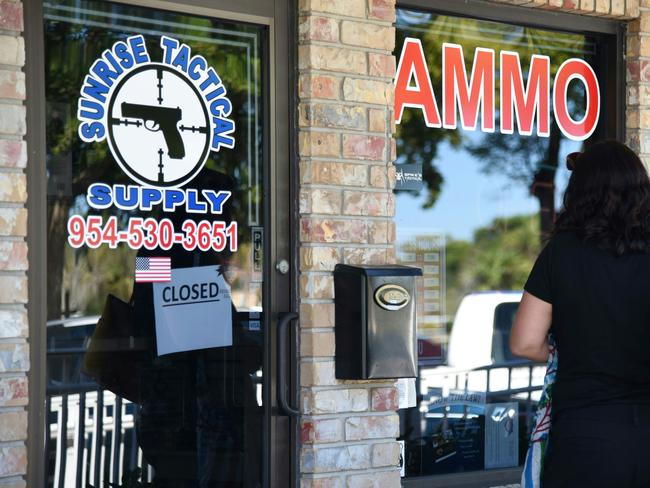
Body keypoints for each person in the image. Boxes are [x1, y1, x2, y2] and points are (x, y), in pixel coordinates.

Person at [510, 140, 650, 488]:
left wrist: (569, 350)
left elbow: (525, 343)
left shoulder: (561, 253)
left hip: (586, 439)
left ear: (581, 191)